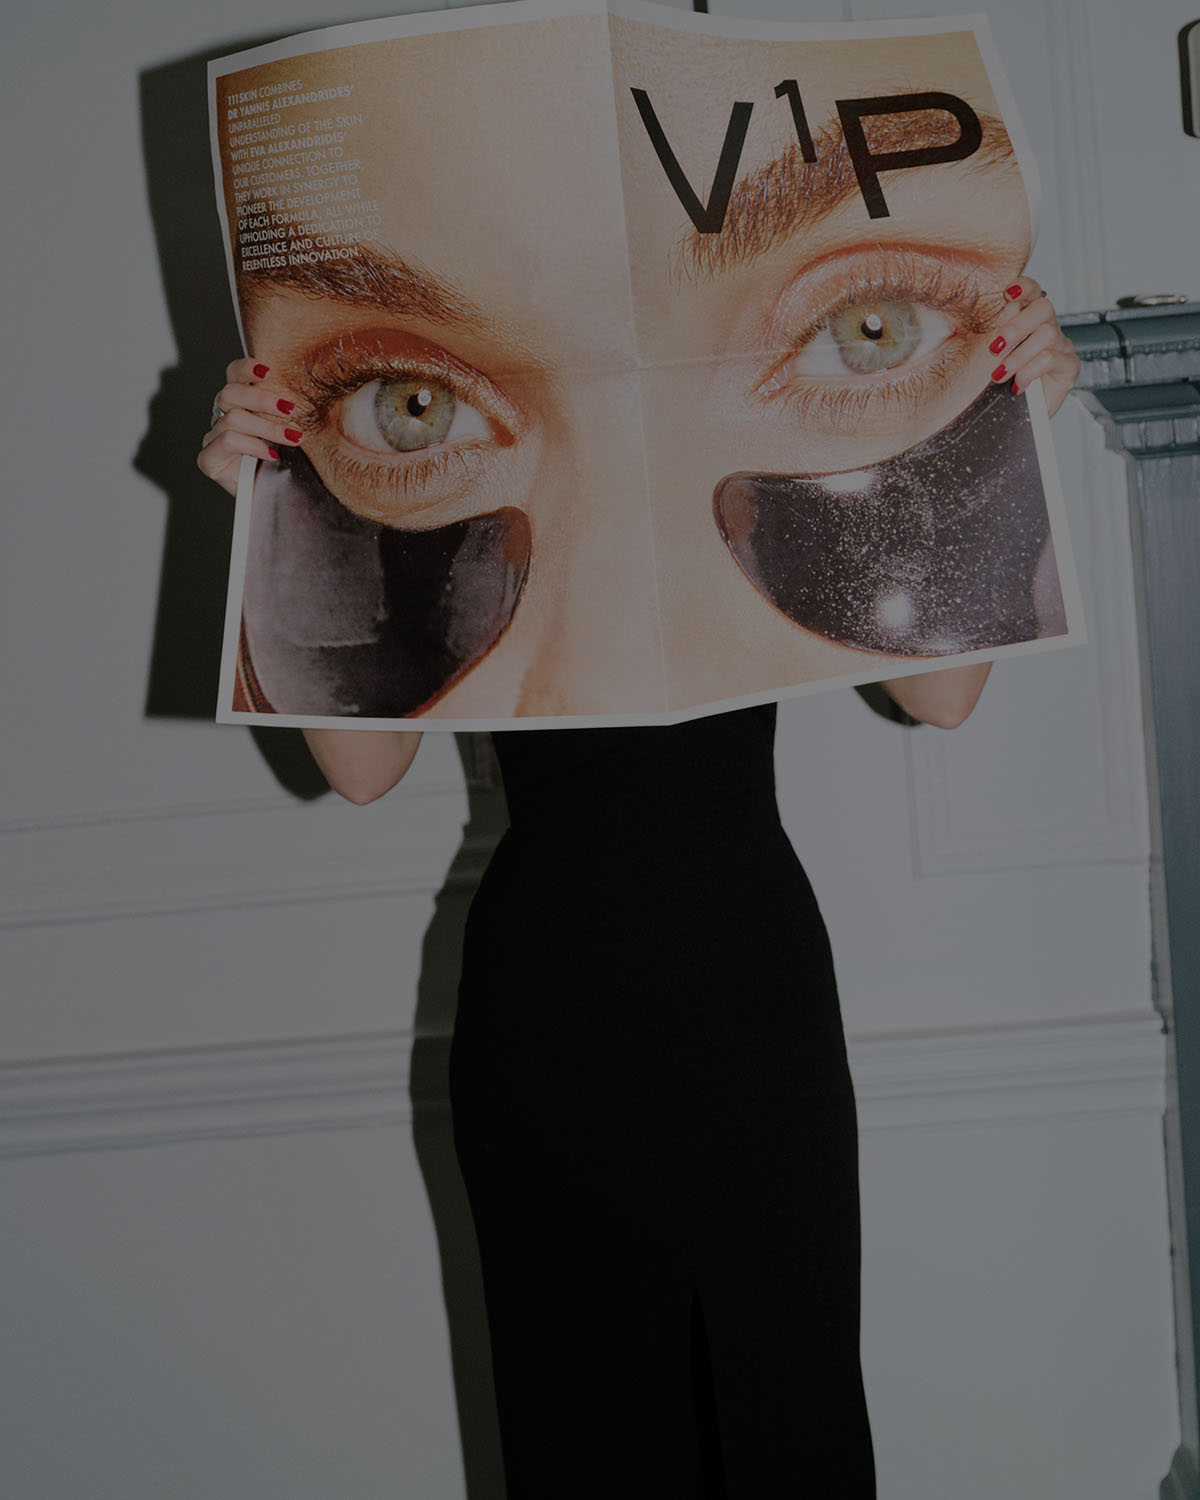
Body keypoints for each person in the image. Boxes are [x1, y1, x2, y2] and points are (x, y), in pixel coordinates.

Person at [196, 272, 1078, 1498]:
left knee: (790, 1426)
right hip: (548, 1015)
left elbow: (943, 693)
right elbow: (361, 770)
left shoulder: (748, 390)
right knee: (589, 1439)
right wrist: (276, 489)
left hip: (753, 991)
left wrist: (998, 412)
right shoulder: (469, 414)